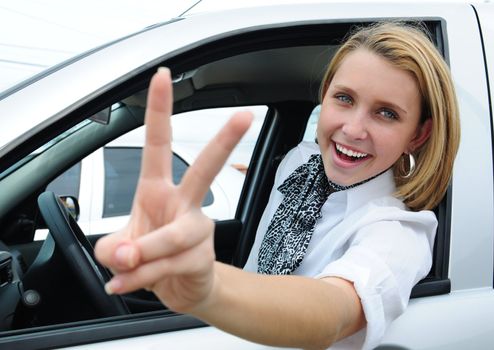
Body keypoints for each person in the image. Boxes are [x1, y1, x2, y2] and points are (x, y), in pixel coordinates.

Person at [94, 22, 460, 349]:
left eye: (386, 113)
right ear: (326, 94)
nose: (352, 129)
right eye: (344, 98)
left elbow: (331, 311)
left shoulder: (397, 232)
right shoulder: (298, 161)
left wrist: (210, 288)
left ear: (419, 134)